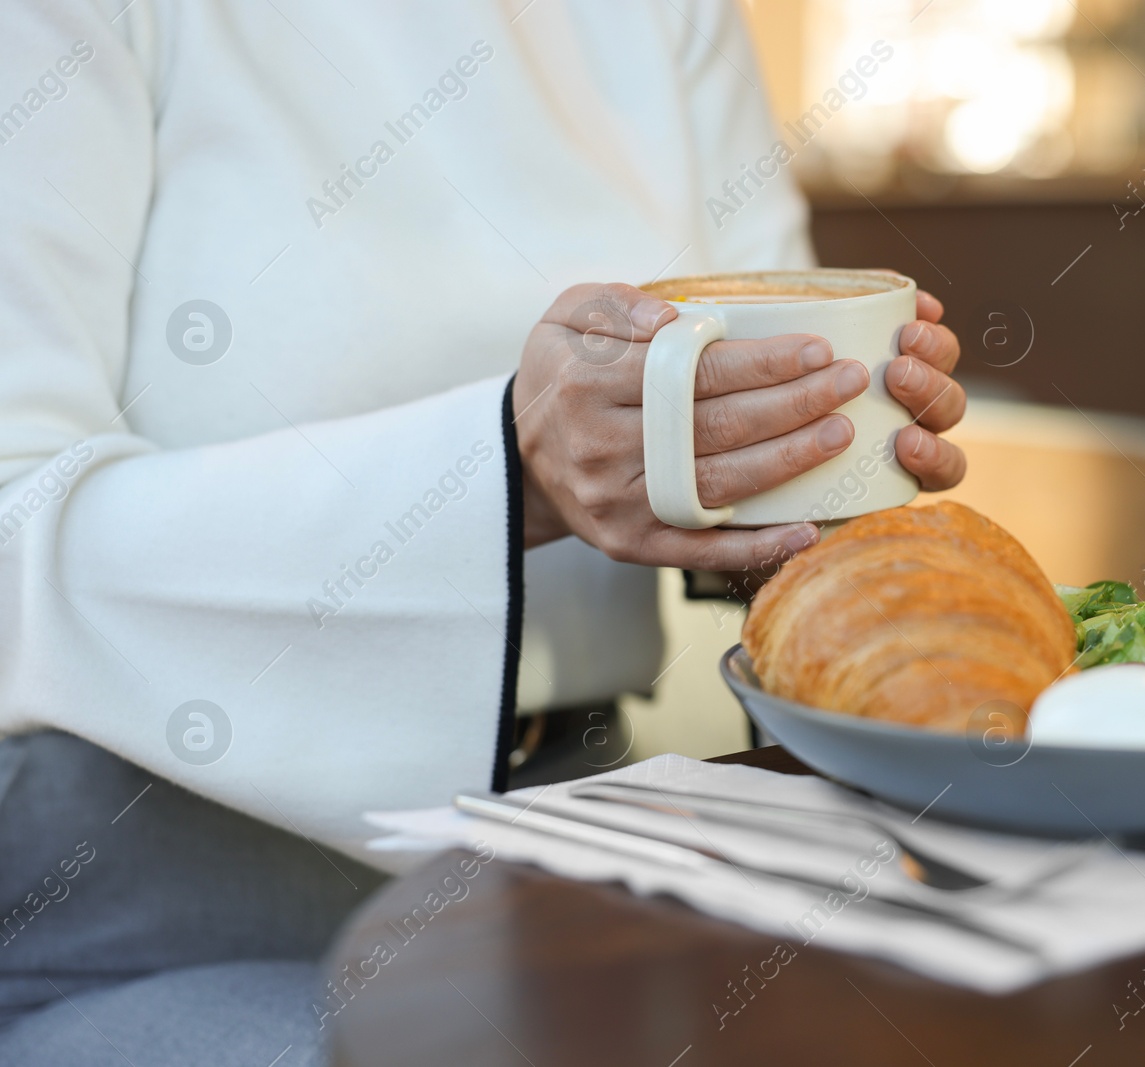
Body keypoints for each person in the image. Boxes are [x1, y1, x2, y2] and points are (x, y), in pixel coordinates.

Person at [0, 1, 967, 1063]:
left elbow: (758, 424)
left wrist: (813, 465)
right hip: (151, 884)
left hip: (568, 839)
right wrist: (506, 471)